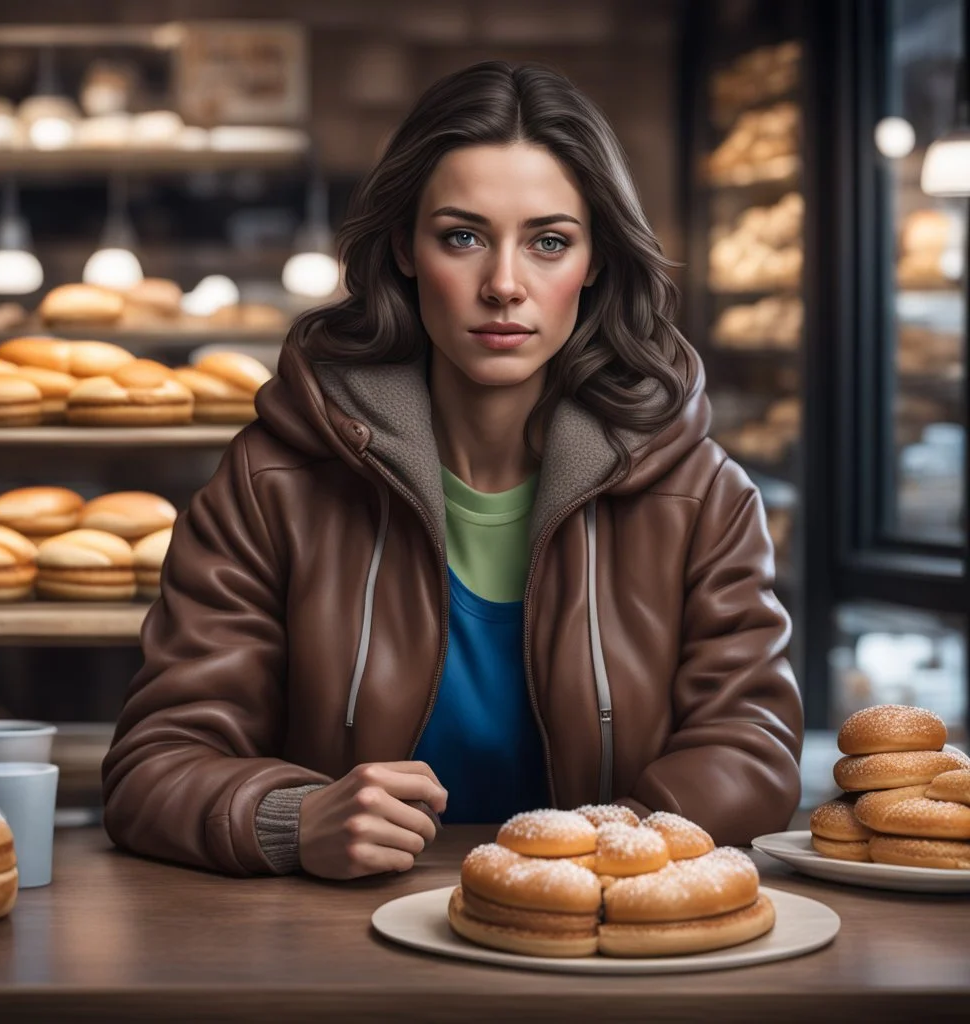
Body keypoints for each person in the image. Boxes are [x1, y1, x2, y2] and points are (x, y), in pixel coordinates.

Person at [101, 61, 804, 880]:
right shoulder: (273, 482)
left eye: (549, 242)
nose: (504, 285)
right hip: (340, 953)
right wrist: (293, 818)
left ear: (598, 261)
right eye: (462, 237)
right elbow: (156, 762)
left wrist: (610, 852)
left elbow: (752, 748)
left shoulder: (702, 495)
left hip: (603, 948)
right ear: (403, 247)